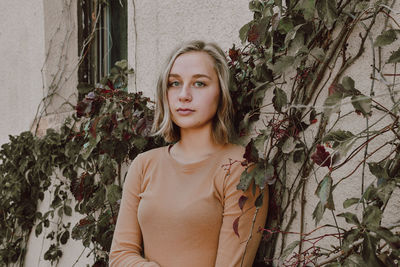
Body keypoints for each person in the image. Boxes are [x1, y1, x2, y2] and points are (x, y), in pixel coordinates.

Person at [109, 40, 268, 267]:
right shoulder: (144, 165)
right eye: (174, 83)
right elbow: (119, 256)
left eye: (200, 84)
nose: (183, 95)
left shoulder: (240, 167)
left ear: (221, 92)